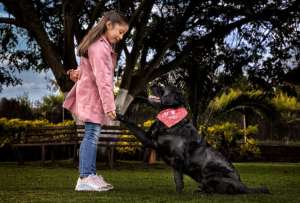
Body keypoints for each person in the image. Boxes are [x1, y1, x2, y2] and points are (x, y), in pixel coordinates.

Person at [63, 10, 128, 192]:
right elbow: (103, 80)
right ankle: (85, 177)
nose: (121, 37)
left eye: (123, 34)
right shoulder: (100, 48)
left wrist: (76, 73)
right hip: (93, 98)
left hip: (92, 96)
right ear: (109, 25)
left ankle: (89, 174)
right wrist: (109, 106)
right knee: (91, 136)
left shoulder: (100, 46)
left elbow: (89, 70)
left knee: (92, 135)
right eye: (120, 32)